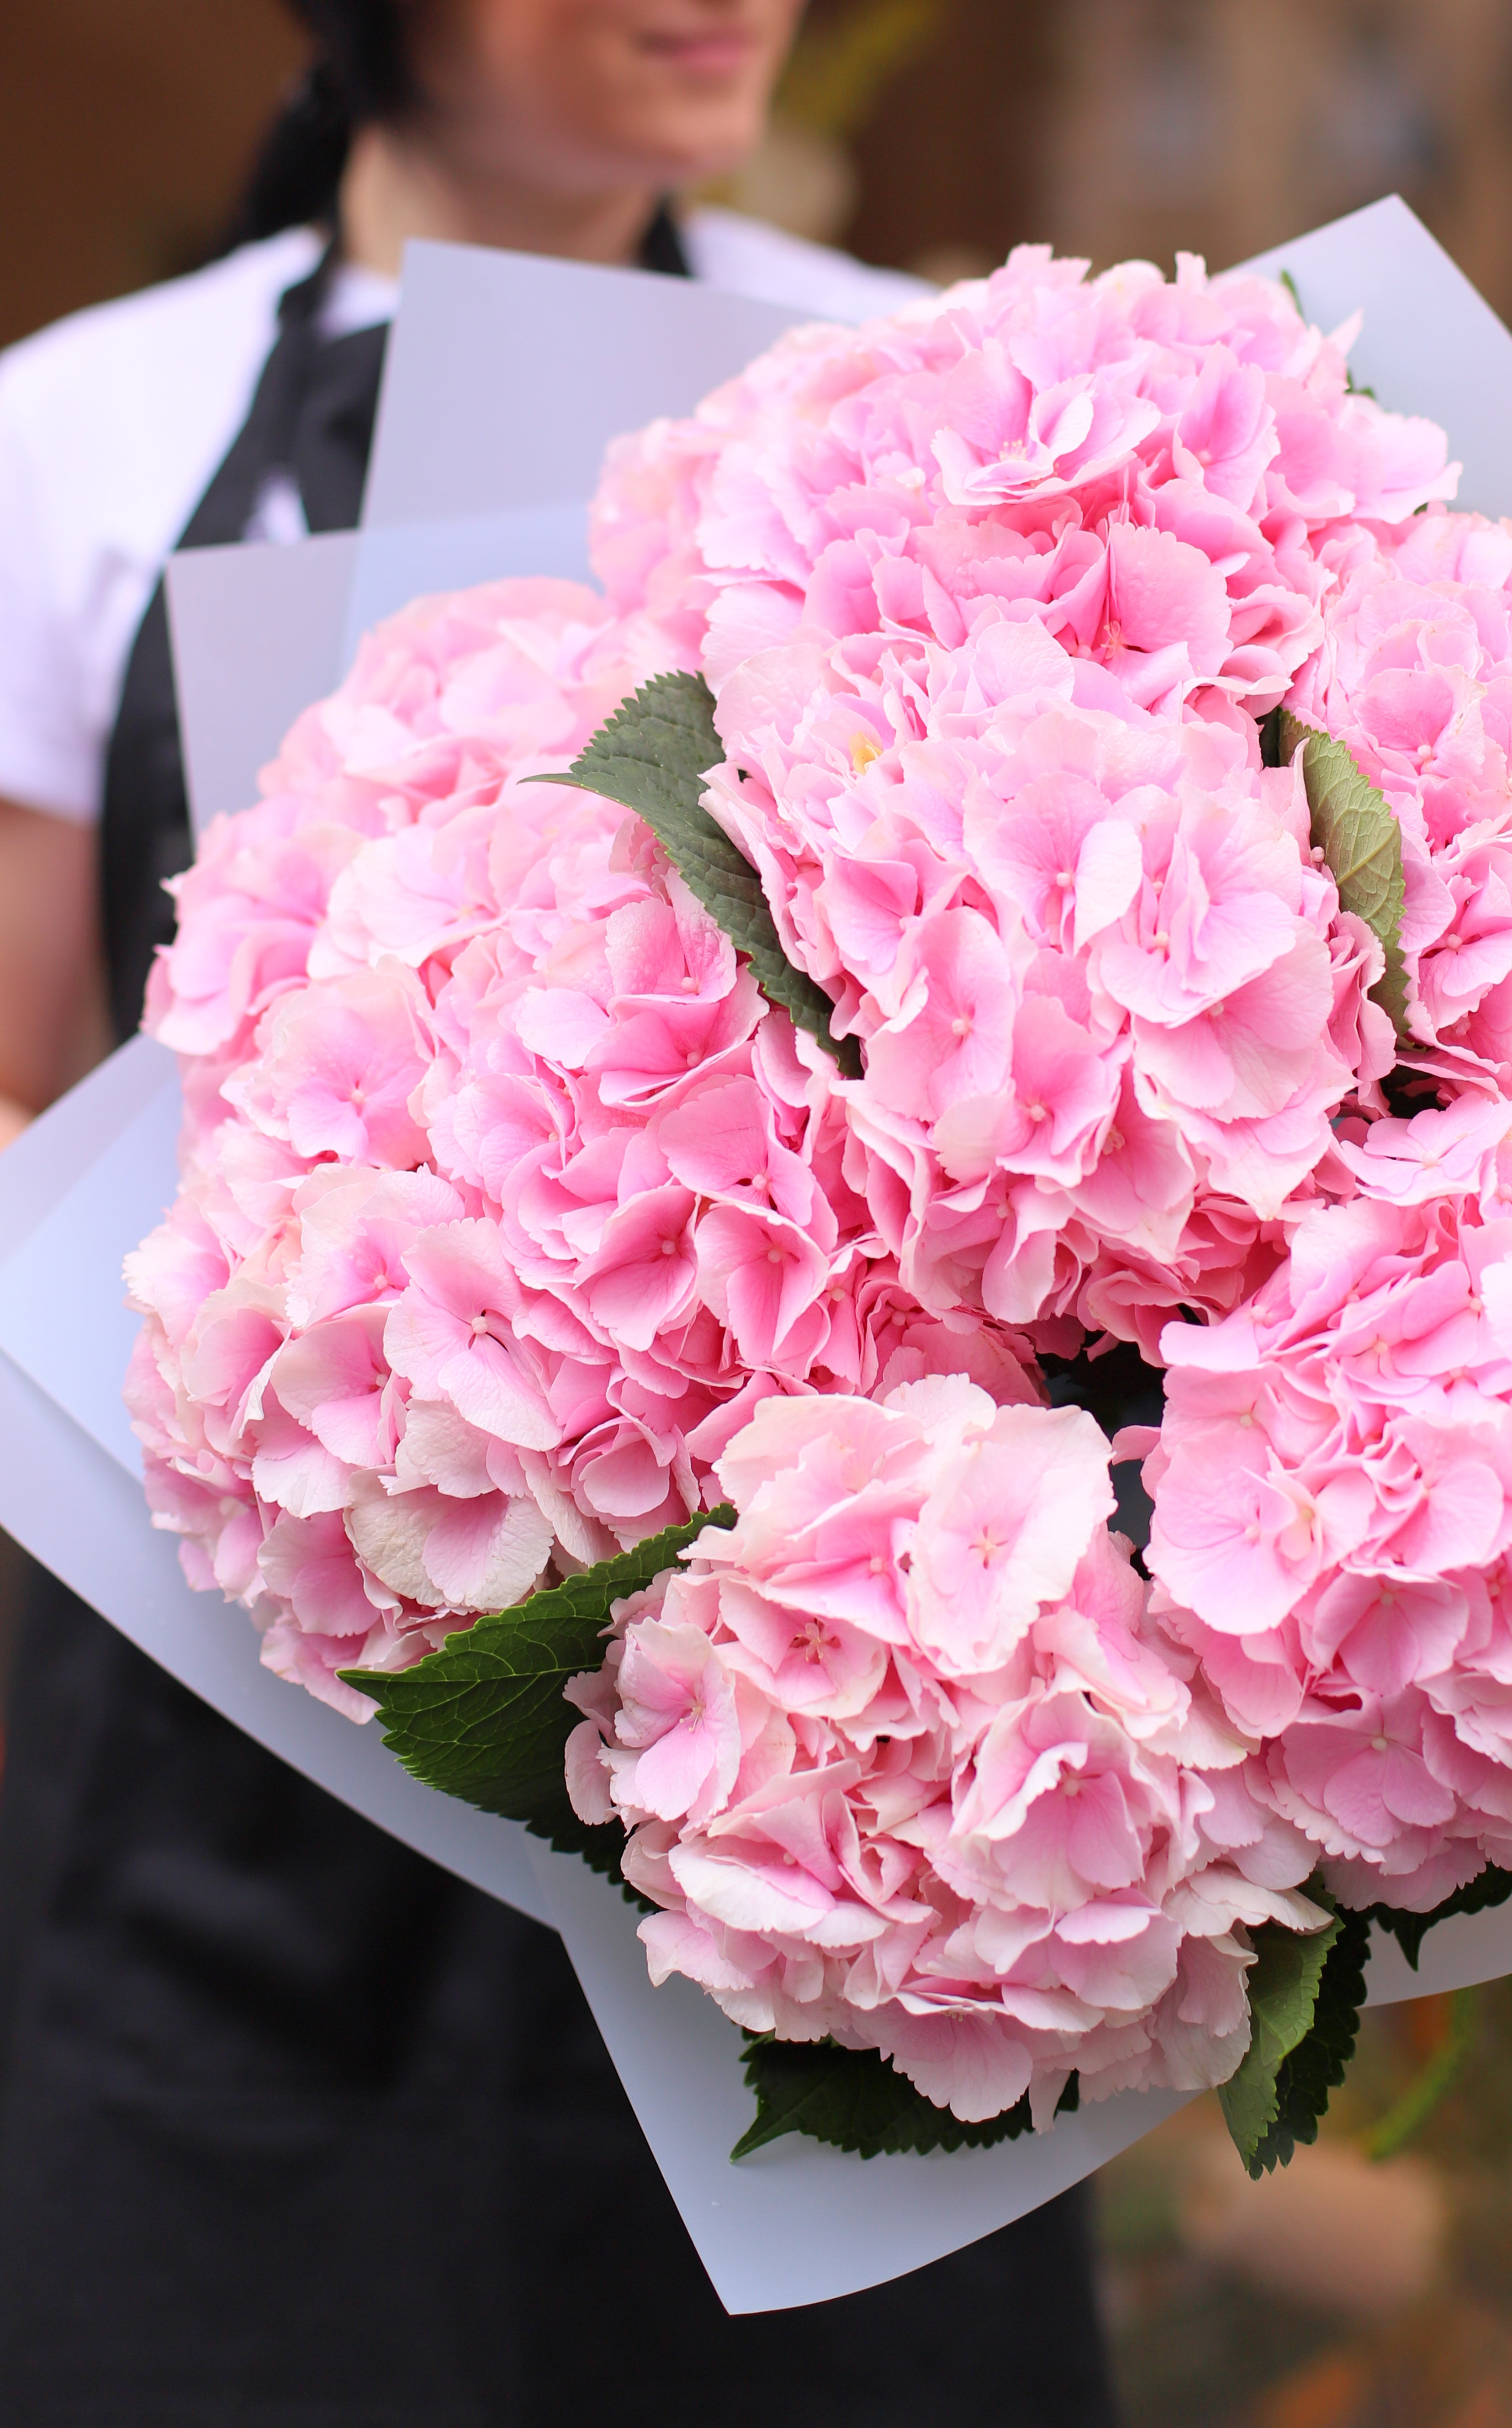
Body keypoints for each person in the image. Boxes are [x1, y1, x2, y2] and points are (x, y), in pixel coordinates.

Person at [0, 8, 1119, 2423]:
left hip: (817, 1739)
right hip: (244, 1742)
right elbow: (19, 1083)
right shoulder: (82, 429)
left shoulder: (896, 392)